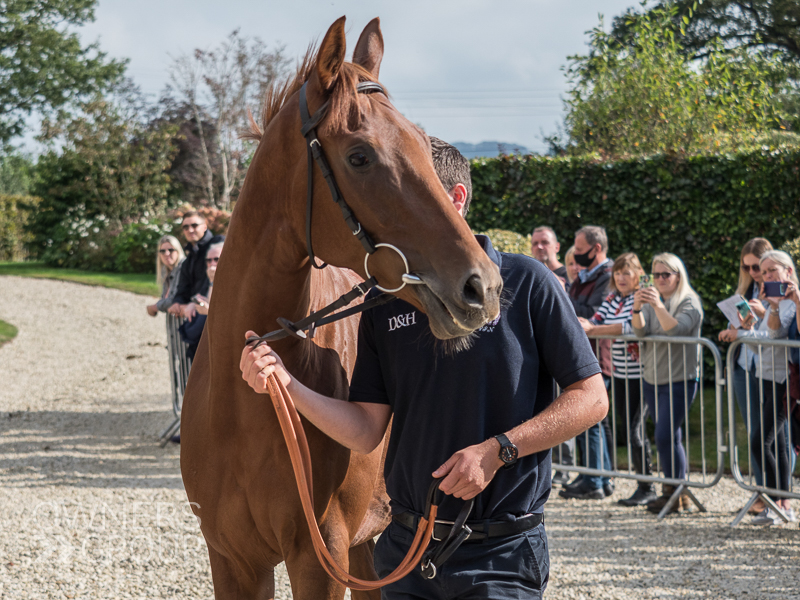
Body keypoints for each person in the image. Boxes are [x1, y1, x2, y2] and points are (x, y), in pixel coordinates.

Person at [240, 138, 608, 599]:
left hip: (502, 552)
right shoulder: (383, 303)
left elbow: (592, 398)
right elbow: (364, 430)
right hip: (406, 553)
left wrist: (500, 450)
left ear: (455, 199)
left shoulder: (529, 281)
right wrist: (286, 385)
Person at [580, 252, 654, 506]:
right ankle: (642, 485)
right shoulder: (613, 298)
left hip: (641, 374)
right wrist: (582, 323)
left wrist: (592, 329)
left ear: (638, 275)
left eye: (627, 273)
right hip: (619, 373)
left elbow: (628, 328)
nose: (621, 278)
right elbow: (596, 320)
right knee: (628, 429)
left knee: (636, 431)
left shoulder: (640, 297)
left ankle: (647, 486)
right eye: (618, 273)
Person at [632, 253, 704, 515]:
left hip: (680, 377)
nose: (661, 279)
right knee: (670, 436)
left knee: (663, 436)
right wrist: (638, 308)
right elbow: (639, 331)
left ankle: (674, 490)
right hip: (653, 375)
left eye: (666, 274)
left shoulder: (689, 301)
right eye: (657, 274)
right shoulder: (652, 300)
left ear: (678, 275)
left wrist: (657, 305)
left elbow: (675, 329)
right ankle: (675, 492)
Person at [717, 237, 772, 514]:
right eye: (747, 267)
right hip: (742, 365)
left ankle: (777, 495)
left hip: (770, 368)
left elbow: (776, 331)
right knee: (753, 431)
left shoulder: (779, 291)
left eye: (756, 267)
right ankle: (761, 492)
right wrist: (736, 326)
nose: (753, 272)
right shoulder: (746, 289)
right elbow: (740, 325)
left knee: (772, 434)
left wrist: (749, 325)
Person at [561, 226, 615, 500]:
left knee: (591, 420)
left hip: (597, 356)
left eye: (581, 251)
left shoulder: (608, 277)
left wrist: (561, 299)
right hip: (583, 354)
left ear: (596, 249)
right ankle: (592, 475)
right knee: (587, 422)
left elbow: (595, 313)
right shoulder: (585, 276)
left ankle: (596, 479)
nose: (577, 256)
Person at [746, 250, 798, 525]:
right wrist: (744, 330)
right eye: (764, 272)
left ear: (788, 271)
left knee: (760, 442)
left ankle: (778, 502)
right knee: (774, 442)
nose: (766, 276)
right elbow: (763, 342)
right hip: (765, 376)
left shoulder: (788, 301)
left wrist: (774, 306)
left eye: (772, 271)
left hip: (783, 381)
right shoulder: (772, 301)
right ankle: (780, 505)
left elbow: (778, 335)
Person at [169, 210, 224, 323]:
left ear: (204, 226)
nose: (190, 230)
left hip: (218, 315)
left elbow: (220, 277)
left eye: (194, 225)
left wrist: (195, 302)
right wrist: (177, 302)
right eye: (186, 227)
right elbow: (182, 289)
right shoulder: (188, 261)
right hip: (195, 317)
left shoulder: (218, 244)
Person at [179, 241, 223, 360]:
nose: (212, 264)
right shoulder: (209, 278)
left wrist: (208, 311)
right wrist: (195, 302)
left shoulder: (235, 282)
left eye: (216, 259)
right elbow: (208, 300)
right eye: (208, 260)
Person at [146, 235, 186, 317]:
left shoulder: (184, 268)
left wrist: (155, 307)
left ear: (178, 251)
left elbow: (175, 299)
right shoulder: (166, 271)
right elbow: (166, 299)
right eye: (162, 251)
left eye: (171, 250)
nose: (166, 254)